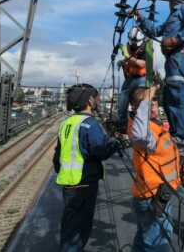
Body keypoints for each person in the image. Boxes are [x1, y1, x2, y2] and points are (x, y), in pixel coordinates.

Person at [53, 84, 121, 252]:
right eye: (96, 97)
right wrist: (117, 143)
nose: (98, 100)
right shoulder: (90, 124)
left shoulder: (66, 123)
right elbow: (100, 151)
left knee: (69, 227)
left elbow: (57, 155)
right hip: (84, 184)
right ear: (90, 100)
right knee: (80, 230)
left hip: (69, 183)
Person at [137, 0, 184, 147]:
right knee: (170, 94)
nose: (169, 2)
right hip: (173, 57)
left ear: (176, 0)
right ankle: (177, 133)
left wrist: (175, 40)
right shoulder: (173, 15)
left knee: (176, 92)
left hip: (179, 54)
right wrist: (141, 18)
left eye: (171, 0)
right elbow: (156, 31)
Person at [126, 84, 180, 252]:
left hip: (159, 192)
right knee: (159, 243)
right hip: (152, 195)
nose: (154, 106)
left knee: (144, 237)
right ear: (138, 107)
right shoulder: (140, 127)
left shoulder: (153, 124)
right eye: (150, 102)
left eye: (155, 102)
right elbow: (140, 136)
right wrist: (145, 103)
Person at [115, 25, 150, 132]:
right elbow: (130, 62)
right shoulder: (130, 45)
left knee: (139, 104)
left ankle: (142, 127)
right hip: (130, 78)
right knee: (122, 103)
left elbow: (141, 63)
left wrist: (127, 57)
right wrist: (124, 62)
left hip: (141, 78)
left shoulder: (147, 47)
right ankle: (122, 128)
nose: (134, 44)